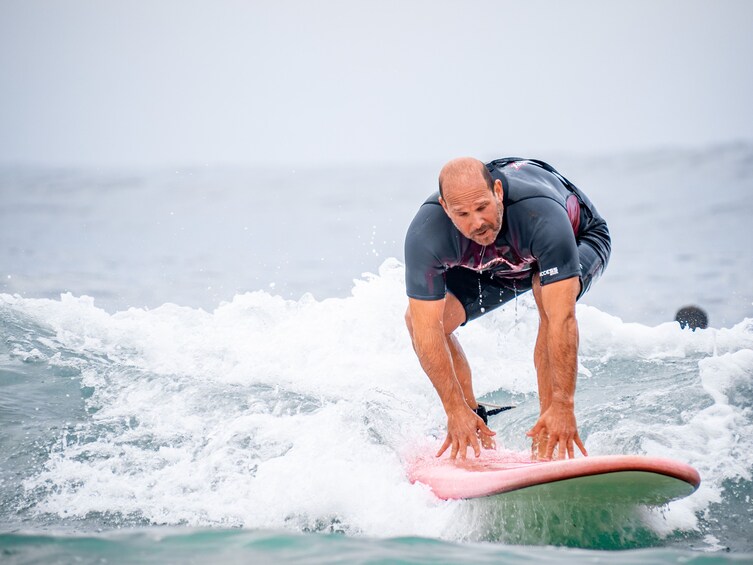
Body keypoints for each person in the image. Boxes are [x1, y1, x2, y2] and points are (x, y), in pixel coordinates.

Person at [404, 157, 610, 461]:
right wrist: (455, 410)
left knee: (547, 299)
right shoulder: (427, 234)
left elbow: (561, 320)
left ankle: (547, 442)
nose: (476, 222)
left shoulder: (539, 214)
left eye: (482, 207)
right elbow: (424, 329)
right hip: (493, 265)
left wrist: (564, 405)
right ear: (446, 208)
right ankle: (472, 424)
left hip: (576, 241)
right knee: (420, 320)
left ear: (497, 191)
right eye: (462, 213)